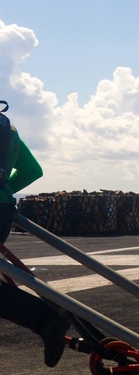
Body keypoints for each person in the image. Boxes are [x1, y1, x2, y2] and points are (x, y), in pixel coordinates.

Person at [0, 102, 70, 367]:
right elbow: (33, 170)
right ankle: (44, 319)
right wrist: (5, 190)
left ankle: (45, 318)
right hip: (4, 209)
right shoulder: (9, 129)